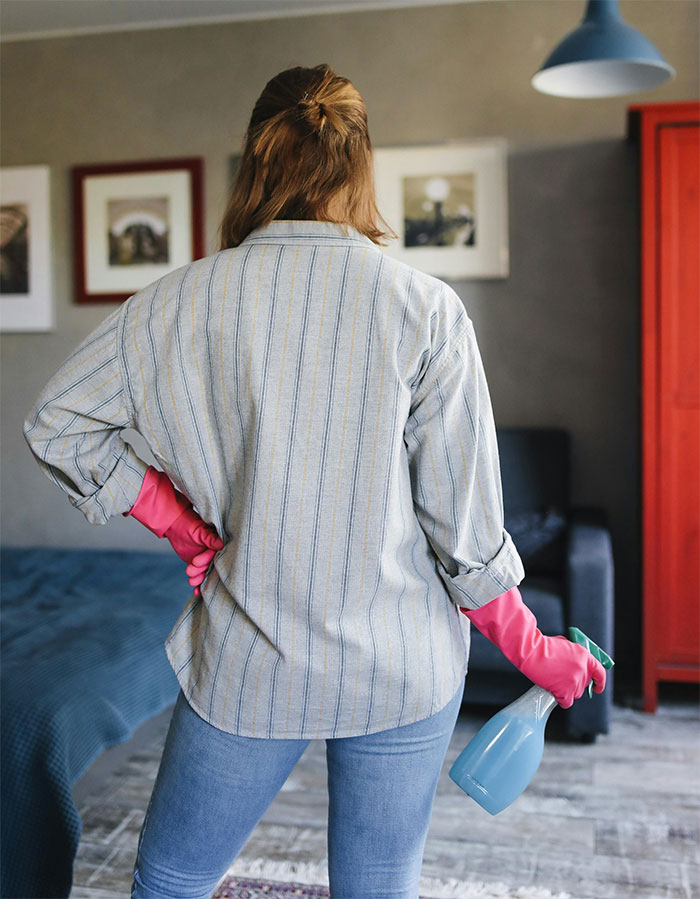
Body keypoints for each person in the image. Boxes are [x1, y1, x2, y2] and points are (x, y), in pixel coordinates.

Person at [22, 63, 606, 899]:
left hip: (249, 658)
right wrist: (535, 650)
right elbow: (466, 535)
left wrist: (182, 525)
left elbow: (59, 424)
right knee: (378, 883)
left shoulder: (176, 301)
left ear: (253, 164)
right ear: (361, 165)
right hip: (402, 664)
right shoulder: (427, 309)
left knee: (172, 878)